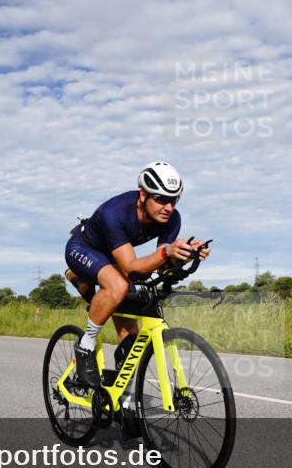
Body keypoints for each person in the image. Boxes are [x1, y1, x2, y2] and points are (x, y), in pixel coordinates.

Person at [64, 162, 210, 387]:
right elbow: (132, 267)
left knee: (131, 332)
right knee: (118, 287)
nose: (168, 207)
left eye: (173, 200)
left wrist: (184, 254)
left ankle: (125, 402)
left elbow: (161, 266)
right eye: (161, 199)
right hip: (83, 248)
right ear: (143, 195)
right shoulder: (115, 211)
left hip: (115, 255)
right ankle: (86, 344)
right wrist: (165, 251)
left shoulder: (172, 219)